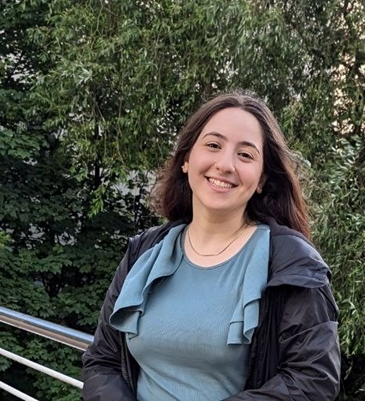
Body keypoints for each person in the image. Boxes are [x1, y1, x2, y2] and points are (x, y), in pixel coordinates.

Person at [82, 91, 341, 400]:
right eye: (213, 145)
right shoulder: (145, 252)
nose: (225, 164)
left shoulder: (292, 264)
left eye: (245, 155)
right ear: (186, 160)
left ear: (261, 179)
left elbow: (312, 381)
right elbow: (102, 361)